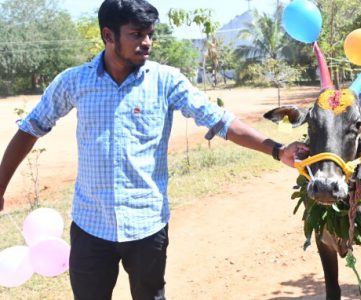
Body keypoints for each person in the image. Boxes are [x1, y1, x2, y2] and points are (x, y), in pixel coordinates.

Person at [0, 0, 308, 299]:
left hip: (147, 226)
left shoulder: (166, 81)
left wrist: (278, 149)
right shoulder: (74, 81)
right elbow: (31, 127)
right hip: (91, 225)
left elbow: (221, 121)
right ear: (109, 36)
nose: (147, 42)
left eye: (150, 34)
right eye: (136, 34)